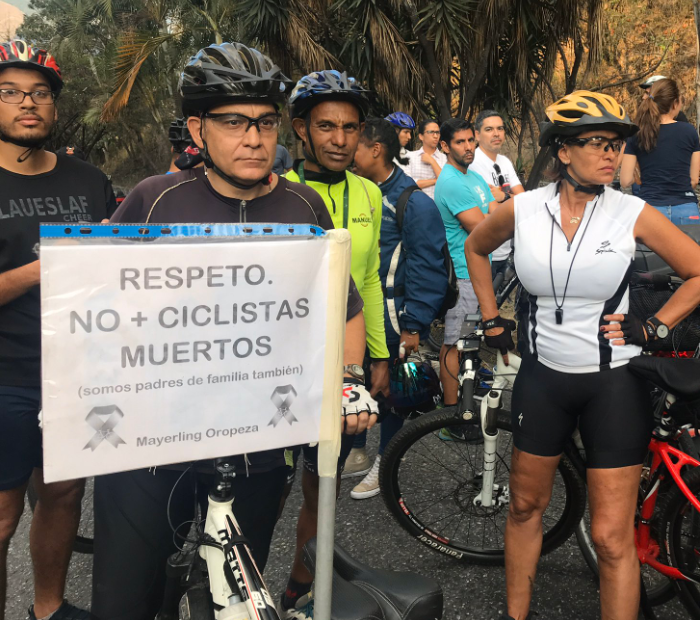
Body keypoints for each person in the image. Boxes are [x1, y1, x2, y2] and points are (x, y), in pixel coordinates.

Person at [89, 42, 375, 620]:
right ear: (198, 128)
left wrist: (348, 379)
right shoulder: (153, 199)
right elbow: (98, 301)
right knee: (129, 597)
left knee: (235, 593)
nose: (254, 138)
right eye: (235, 122)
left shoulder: (305, 205)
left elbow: (342, 305)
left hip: (257, 440)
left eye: (266, 122)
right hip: (155, 440)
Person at [463, 90, 700, 620]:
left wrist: (655, 325)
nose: (611, 154)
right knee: (525, 507)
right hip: (541, 379)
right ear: (562, 151)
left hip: (614, 382)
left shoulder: (631, 212)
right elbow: (476, 248)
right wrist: (490, 317)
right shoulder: (525, 208)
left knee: (609, 535)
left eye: (616, 145)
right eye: (596, 143)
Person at [0, 38, 116, 620]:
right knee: (1, 515)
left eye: (40, 94)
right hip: (6, 375)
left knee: (64, 494)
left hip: (76, 373)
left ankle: (47, 609)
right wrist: (41, 269)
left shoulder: (90, 180)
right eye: (11, 92)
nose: (28, 103)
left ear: (53, 105)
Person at [282, 69, 387, 618]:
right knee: (262, 484)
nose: (340, 139)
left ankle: (299, 586)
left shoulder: (370, 192)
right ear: (301, 130)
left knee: (320, 484)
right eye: (326, 126)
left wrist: (378, 354)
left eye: (350, 127)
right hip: (285, 364)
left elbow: (366, 278)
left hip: (344, 362)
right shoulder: (281, 192)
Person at [349, 118, 448, 499]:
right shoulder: (358, 192)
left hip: (394, 314)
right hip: (359, 310)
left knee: (389, 390)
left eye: (355, 145)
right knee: (357, 383)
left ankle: (384, 462)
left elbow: (429, 267)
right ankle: (357, 454)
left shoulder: (411, 202)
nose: (348, 152)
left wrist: (414, 325)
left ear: (376, 149)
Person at [434, 118, 496, 410]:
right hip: (462, 275)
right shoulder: (451, 182)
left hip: (478, 272)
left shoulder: (474, 177)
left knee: (468, 342)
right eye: (460, 142)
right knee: (454, 345)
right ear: (445, 146)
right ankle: (450, 414)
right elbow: (484, 230)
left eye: (471, 140)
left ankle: (464, 405)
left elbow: (495, 211)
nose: (469, 147)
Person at [620, 78, 700, 225]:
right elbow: (694, 180)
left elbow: (625, 181)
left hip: (649, 210)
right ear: (675, 103)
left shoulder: (638, 133)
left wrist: (639, 176)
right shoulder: (689, 131)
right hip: (685, 209)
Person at [469, 109, 525, 278]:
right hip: (484, 248)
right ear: (477, 135)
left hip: (505, 247)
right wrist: (511, 199)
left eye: (500, 129)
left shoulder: (505, 161)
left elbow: (525, 200)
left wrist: (505, 196)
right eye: (489, 129)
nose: (496, 134)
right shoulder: (473, 163)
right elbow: (487, 208)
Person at [638, 75, 700, 172]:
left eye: (648, 93)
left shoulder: (677, 116)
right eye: (645, 93)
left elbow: (693, 140)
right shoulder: (642, 118)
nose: (644, 97)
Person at [401, 118, 446, 198]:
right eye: (431, 132)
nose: (435, 136)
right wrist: (435, 181)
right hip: (415, 206)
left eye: (437, 132)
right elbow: (407, 184)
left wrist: (432, 162)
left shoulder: (445, 159)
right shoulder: (409, 157)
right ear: (421, 136)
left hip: (439, 207)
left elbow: (446, 183)